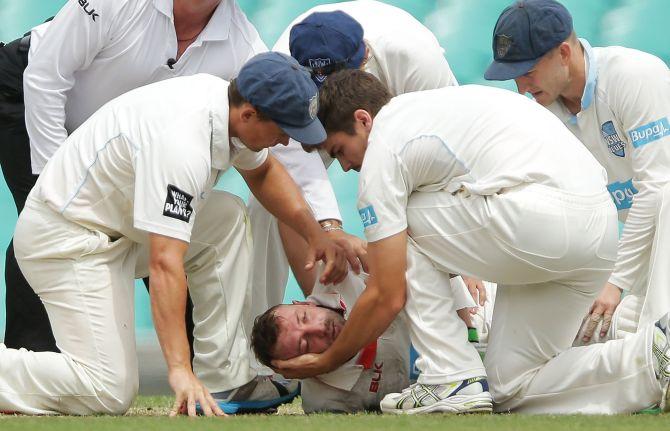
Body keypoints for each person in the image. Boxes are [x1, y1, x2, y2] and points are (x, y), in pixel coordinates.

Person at [272, 69, 670, 415]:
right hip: (593, 230)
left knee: (398, 221)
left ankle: (450, 375)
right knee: (510, 384)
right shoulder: (432, 108)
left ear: (363, 120)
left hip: (543, 222)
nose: (345, 166)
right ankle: (653, 357)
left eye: (340, 151)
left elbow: (388, 293)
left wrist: (327, 359)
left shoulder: (386, 147)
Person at [0, 52, 348, 416]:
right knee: (106, 390)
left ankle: (223, 380)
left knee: (227, 217)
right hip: (68, 241)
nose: (282, 141)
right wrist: (180, 370)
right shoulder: (183, 144)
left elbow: (264, 173)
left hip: (116, 229)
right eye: (282, 130)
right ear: (249, 115)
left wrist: (316, 234)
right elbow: (165, 263)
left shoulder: (226, 105)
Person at [245, 1, 474, 352]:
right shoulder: (288, 65)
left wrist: (466, 264)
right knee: (270, 200)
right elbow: (288, 166)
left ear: (364, 58)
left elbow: (454, 158)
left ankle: (469, 323)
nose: (330, 95)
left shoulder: (415, 58)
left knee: (433, 203)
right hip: (330, 113)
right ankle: (321, 319)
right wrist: (329, 232)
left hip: (412, 115)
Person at [484, 0, 670, 342]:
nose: (521, 88)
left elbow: (657, 189)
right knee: (616, 334)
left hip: (662, 225)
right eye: (514, 77)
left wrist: (615, 283)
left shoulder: (635, 76)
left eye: (528, 71)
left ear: (564, 53)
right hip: (644, 239)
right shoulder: (541, 112)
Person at [251, 247, 480, 413]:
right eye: (305, 344)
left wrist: (463, 276)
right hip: (457, 378)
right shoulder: (325, 401)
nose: (319, 328)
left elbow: (421, 258)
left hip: (475, 310)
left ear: (302, 303)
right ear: (298, 368)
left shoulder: (341, 271)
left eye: (305, 317)